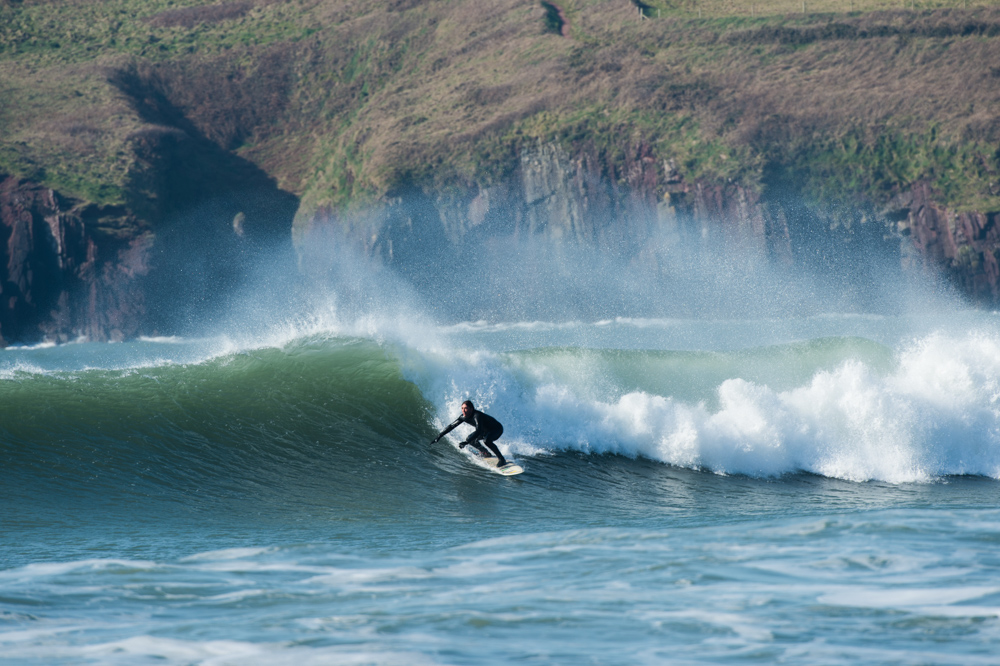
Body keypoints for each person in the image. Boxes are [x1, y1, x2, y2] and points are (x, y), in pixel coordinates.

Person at [431, 400, 508, 467]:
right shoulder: (463, 417)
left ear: (471, 409)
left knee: (486, 440)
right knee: (471, 440)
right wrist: (439, 436)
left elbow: (478, 430)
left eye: (466, 408)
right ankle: (486, 453)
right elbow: (451, 426)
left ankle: (502, 459)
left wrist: (466, 442)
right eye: (462, 408)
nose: (463, 410)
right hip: (485, 431)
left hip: (497, 429)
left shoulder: (477, 416)